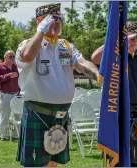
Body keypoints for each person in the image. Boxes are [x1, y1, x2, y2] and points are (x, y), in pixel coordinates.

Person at [15, 3, 100, 167]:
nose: (57, 21)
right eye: (53, 18)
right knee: (36, 165)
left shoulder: (65, 46)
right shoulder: (27, 44)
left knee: (53, 163)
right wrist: (41, 31)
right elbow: (26, 56)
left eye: (59, 18)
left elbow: (82, 63)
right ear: (40, 21)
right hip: (38, 112)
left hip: (61, 114)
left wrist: (97, 74)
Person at [91, 21, 137, 167]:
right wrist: (115, 39)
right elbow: (95, 58)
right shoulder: (115, 56)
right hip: (119, 113)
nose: (133, 40)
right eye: (130, 36)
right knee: (118, 158)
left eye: (136, 36)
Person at [0, 50, 20, 141]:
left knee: (18, 115)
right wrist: (8, 76)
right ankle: (4, 135)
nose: (13, 58)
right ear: (5, 58)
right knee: (5, 115)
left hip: (16, 94)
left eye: (14, 56)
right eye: (10, 56)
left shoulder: (16, 67)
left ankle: (16, 135)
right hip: (5, 95)